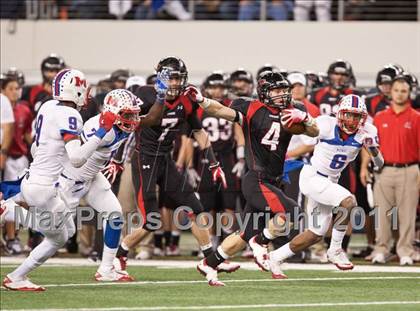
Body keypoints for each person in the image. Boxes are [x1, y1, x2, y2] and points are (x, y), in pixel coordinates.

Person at [183, 71, 319, 283]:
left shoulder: (294, 110)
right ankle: (261, 241)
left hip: (274, 180)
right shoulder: (252, 108)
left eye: (284, 90)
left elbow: (313, 132)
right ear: (264, 92)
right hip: (257, 178)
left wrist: (307, 119)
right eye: (277, 90)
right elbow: (220, 110)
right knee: (293, 212)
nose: (282, 94)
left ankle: (209, 263)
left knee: (244, 234)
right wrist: (202, 100)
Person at [114, 57, 239, 286]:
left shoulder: (187, 100)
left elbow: (199, 133)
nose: (175, 82)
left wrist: (213, 164)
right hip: (145, 159)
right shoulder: (145, 94)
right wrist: (116, 159)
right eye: (171, 77)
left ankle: (210, 260)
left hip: (166, 160)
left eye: (178, 77)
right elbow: (126, 127)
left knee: (196, 207)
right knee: (151, 220)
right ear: (161, 77)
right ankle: (120, 254)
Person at [2, 69, 116, 291]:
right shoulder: (70, 115)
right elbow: (76, 158)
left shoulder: (47, 106)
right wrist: (101, 131)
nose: (86, 93)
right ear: (74, 90)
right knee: (56, 235)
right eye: (82, 88)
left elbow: (36, 148)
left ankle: (17, 277)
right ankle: (8, 211)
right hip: (45, 188)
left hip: (33, 178)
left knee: (65, 233)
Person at [268, 94, 384, 277]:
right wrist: (305, 120)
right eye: (348, 114)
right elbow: (307, 131)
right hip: (313, 177)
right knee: (349, 201)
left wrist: (373, 149)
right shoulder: (326, 124)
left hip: (331, 181)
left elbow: (379, 163)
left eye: (356, 116)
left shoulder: (368, 131)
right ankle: (335, 250)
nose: (352, 120)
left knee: (315, 233)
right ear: (340, 114)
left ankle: (274, 257)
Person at [362, 76, 420, 265]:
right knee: (382, 212)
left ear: (408, 93)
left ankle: (405, 251)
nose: (400, 94)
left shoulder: (416, 118)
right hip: (383, 170)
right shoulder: (380, 117)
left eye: (403, 91)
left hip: (409, 170)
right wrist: (364, 166)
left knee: (407, 213)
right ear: (391, 92)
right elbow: (370, 145)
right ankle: (381, 249)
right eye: (396, 90)